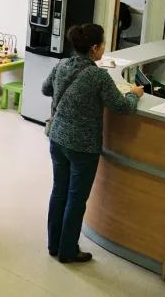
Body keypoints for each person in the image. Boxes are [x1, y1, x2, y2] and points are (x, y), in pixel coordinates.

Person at [41, 24, 143, 264]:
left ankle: (54, 245)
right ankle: (68, 251)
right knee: (76, 198)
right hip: (83, 147)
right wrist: (133, 93)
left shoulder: (62, 65)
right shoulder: (98, 76)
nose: (104, 50)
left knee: (59, 191)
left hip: (57, 138)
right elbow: (122, 107)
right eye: (103, 45)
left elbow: (46, 89)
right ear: (94, 48)